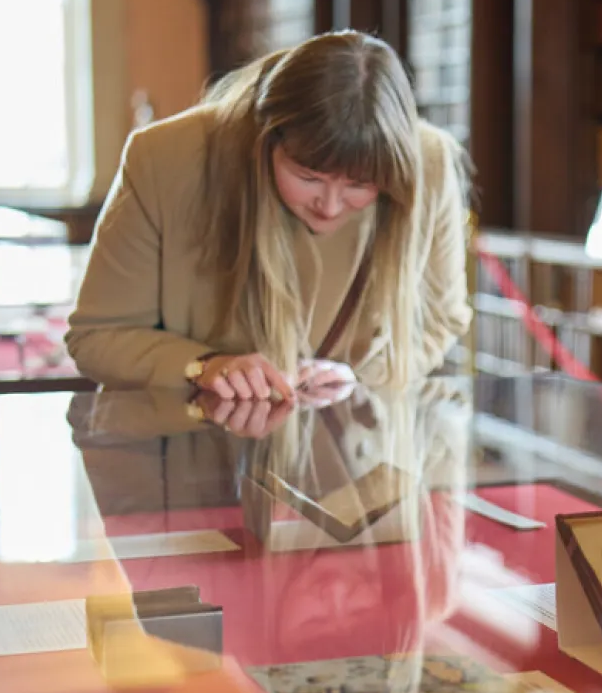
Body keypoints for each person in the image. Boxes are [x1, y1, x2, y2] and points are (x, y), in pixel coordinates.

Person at [66, 30, 474, 418]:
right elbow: (98, 337)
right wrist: (203, 366)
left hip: (360, 469)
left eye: (359, 185)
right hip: (197, 455)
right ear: (267, 138)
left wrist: (361, 377)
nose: (330, 207)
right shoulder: (165, 159)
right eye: (308, 177)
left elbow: (441, 318)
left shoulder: (430, 163)